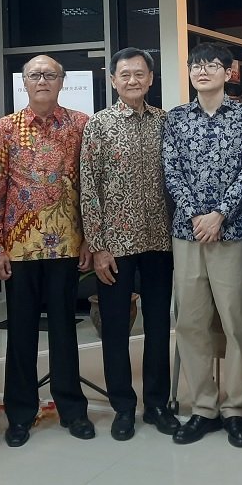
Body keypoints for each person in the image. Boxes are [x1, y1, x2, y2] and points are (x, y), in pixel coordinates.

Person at [0, 55, 94, 447]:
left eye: (50, 74)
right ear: (24, 83)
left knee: (65, 331)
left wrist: (89, 239)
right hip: (19, 250)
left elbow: (89, 187)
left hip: (67, 246)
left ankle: (72, 409)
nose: (42, 80)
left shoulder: (81, 125)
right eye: (35, 75)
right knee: (21, 333)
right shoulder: (7, 127)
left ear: (62, 81)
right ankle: (20, 413)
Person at [162, 42, 242, 448]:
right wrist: (196, 216)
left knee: (237, 322)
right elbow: (171, 171)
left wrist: (219, 215)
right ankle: (203, 406)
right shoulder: (176, 118)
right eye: (196, 65)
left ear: (228, 72)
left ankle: (235, 408)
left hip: (231, 234)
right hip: (187, 235)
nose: (202, 71)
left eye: (211, 65)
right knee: (190, 321)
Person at [79, 47, 178, 441]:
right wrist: (98, 245)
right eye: (125, 74)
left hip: (160, 242)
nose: (133, 80)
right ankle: (123, 405)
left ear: (150, 79)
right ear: (113, 79)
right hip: (115, 247)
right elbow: (89, 187)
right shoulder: (99, 125)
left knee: (158, 326)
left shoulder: (166, 122)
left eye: (140, 74)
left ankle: (156, 404)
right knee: (116, 328)